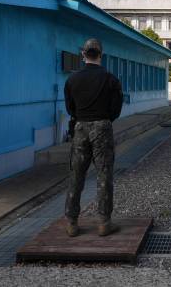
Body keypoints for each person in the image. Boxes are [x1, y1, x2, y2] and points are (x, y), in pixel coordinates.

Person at [64, 38, 123, 237]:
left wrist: (82, 117)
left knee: (76, 174)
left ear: (83, 54)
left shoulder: (72, 79)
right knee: (104, 174)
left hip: (80, 126)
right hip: (103, 126)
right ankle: (104, 222)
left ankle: (72, 223)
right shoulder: (110, 79)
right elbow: (116, 108)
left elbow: (69, 107)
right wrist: (105, 119)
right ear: (101, 54)